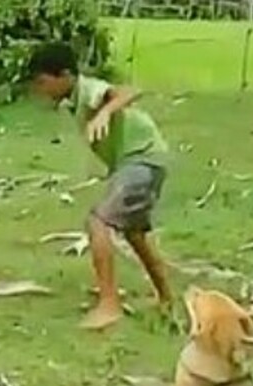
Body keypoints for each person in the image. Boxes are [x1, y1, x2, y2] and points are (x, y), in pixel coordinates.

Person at [26, 43, 172, 331]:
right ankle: (167, 298)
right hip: (139, 161)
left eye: (44, 82)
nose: (40, 90)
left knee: (98, 221)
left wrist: (105, 112)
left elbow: (130, 92)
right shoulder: (73, 99)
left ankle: (109, 305)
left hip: (142, 159)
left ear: (65, 75)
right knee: (134, 233)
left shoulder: (90, 89)